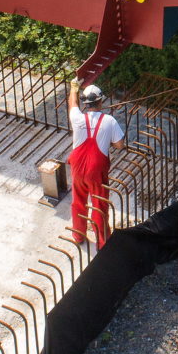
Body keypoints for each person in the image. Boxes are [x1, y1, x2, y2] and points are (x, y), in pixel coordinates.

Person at [68, 79, 125, 247]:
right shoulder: (109, 121)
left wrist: (74, 88)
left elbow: (72, 104)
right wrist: (109, 140)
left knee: (78, 201)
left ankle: (78, 236)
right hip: (96, 170)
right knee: (99, 206)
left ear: (85, 104)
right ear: (100, 101)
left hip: (77, 167)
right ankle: (102, 242)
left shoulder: (77, 118)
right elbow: (120, 145)